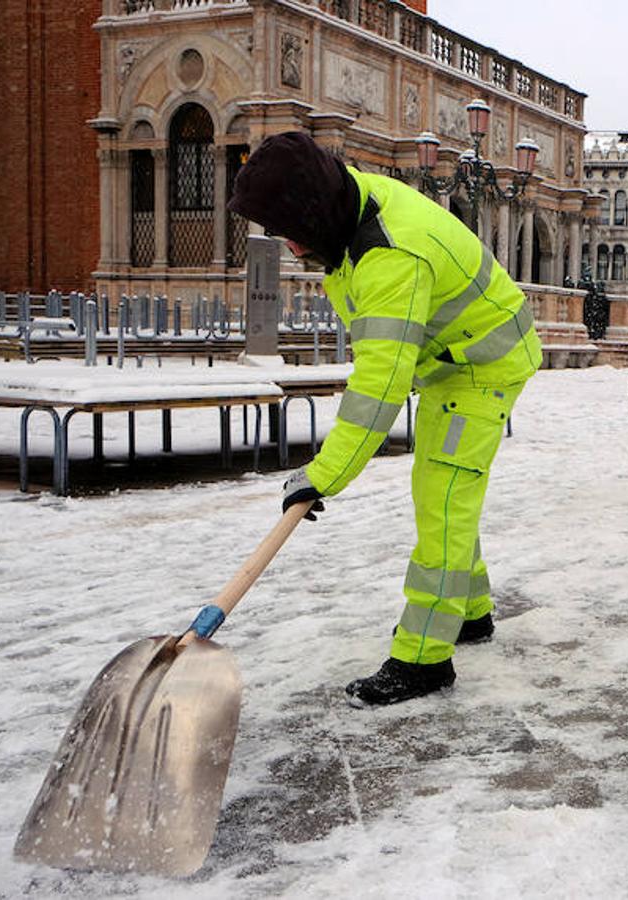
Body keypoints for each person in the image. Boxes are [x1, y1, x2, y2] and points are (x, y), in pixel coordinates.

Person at [227, 131, 542, 706]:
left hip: (483, 367)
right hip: (452, 360)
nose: (291, 248)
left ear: (313, 211)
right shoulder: (352, 206)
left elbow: (380, 384)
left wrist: (325, 474)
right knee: (442, 492)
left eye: (289, 232)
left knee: (444, 492)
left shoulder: (390, 256)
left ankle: (424, 660)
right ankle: (469, 614)